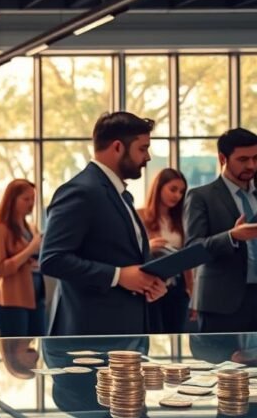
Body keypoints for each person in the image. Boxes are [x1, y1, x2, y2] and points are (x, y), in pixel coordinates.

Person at [40, 112, 166, 336]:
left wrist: (148, 283)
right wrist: (118, 276)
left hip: (126, 331)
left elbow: (126, 259)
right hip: (89, 334)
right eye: (143, 148)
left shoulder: (121, 195)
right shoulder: (80, 191)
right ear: (117, 147)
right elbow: (52, 260)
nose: (147, 157)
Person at [184, 128, 257, 332]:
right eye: (243, 159)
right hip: (222, 303)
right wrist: (231, 236)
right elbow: (193, 249)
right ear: (223, 158)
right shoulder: (201, 196)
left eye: (255, 158)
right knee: (220, 364)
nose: (251, 165)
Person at [0, 179, 45, 337]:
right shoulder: (0, 229)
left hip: (35, 298)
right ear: (12, 200)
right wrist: (30, 249)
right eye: (26, 199)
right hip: (11, 300)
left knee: (35, 352)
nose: (31, 203)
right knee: (15, 354)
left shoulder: (31, 227)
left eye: (33, 199)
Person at [138, 168, 193, 334]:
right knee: (153, 332)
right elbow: (128, 251)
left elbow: (187, 259)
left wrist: (191, 291)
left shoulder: (181, 219)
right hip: (150, 286)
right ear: (159, 188)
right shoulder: (139, 215)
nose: (177, 195)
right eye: (173, 189)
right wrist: (149, 246)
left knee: (175, 333)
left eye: (181, 191)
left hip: (177, 288)